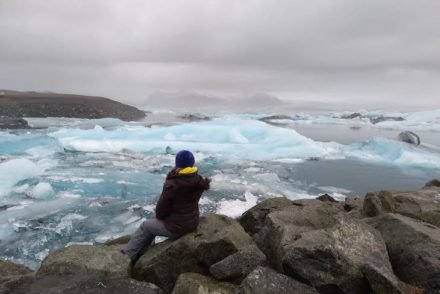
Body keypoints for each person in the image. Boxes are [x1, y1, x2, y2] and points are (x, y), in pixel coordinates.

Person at [122, 150, 210, 263]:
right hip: (192, 222)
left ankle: (128, 255)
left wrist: (160, 217)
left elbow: (161, 209)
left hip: (177, 227)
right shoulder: (198, 180)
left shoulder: (173, 184)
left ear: (177, 163)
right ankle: (142, 251)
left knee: (146, 226)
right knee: (153, 223)